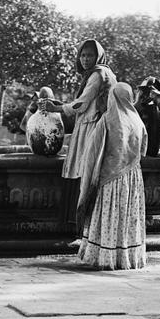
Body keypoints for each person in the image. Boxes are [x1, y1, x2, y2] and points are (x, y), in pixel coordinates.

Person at [42, 39, 116, 235]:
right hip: (89, 125)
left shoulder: (98, 74)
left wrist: (57, 108)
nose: (85, 59)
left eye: (89, 55)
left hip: (92, 127)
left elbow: (82, 104)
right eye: (82, 55)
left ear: (97, 56)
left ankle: (79, 224)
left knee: (84, 170)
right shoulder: (101, 73)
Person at [77, 82, 148, 270]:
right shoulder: (137, 120)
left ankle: (105, 257)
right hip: (133, 178)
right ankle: (128, 257)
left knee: (110, 215)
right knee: (128, 217)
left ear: (112, 97)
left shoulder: (108, 120)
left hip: (110, 179)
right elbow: (144, 150)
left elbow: (92, 152)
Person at [134, 76, 160, 157]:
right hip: (141, 148)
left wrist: (158, 97)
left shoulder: (158, 104)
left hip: (152, 148)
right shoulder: (139, 106)